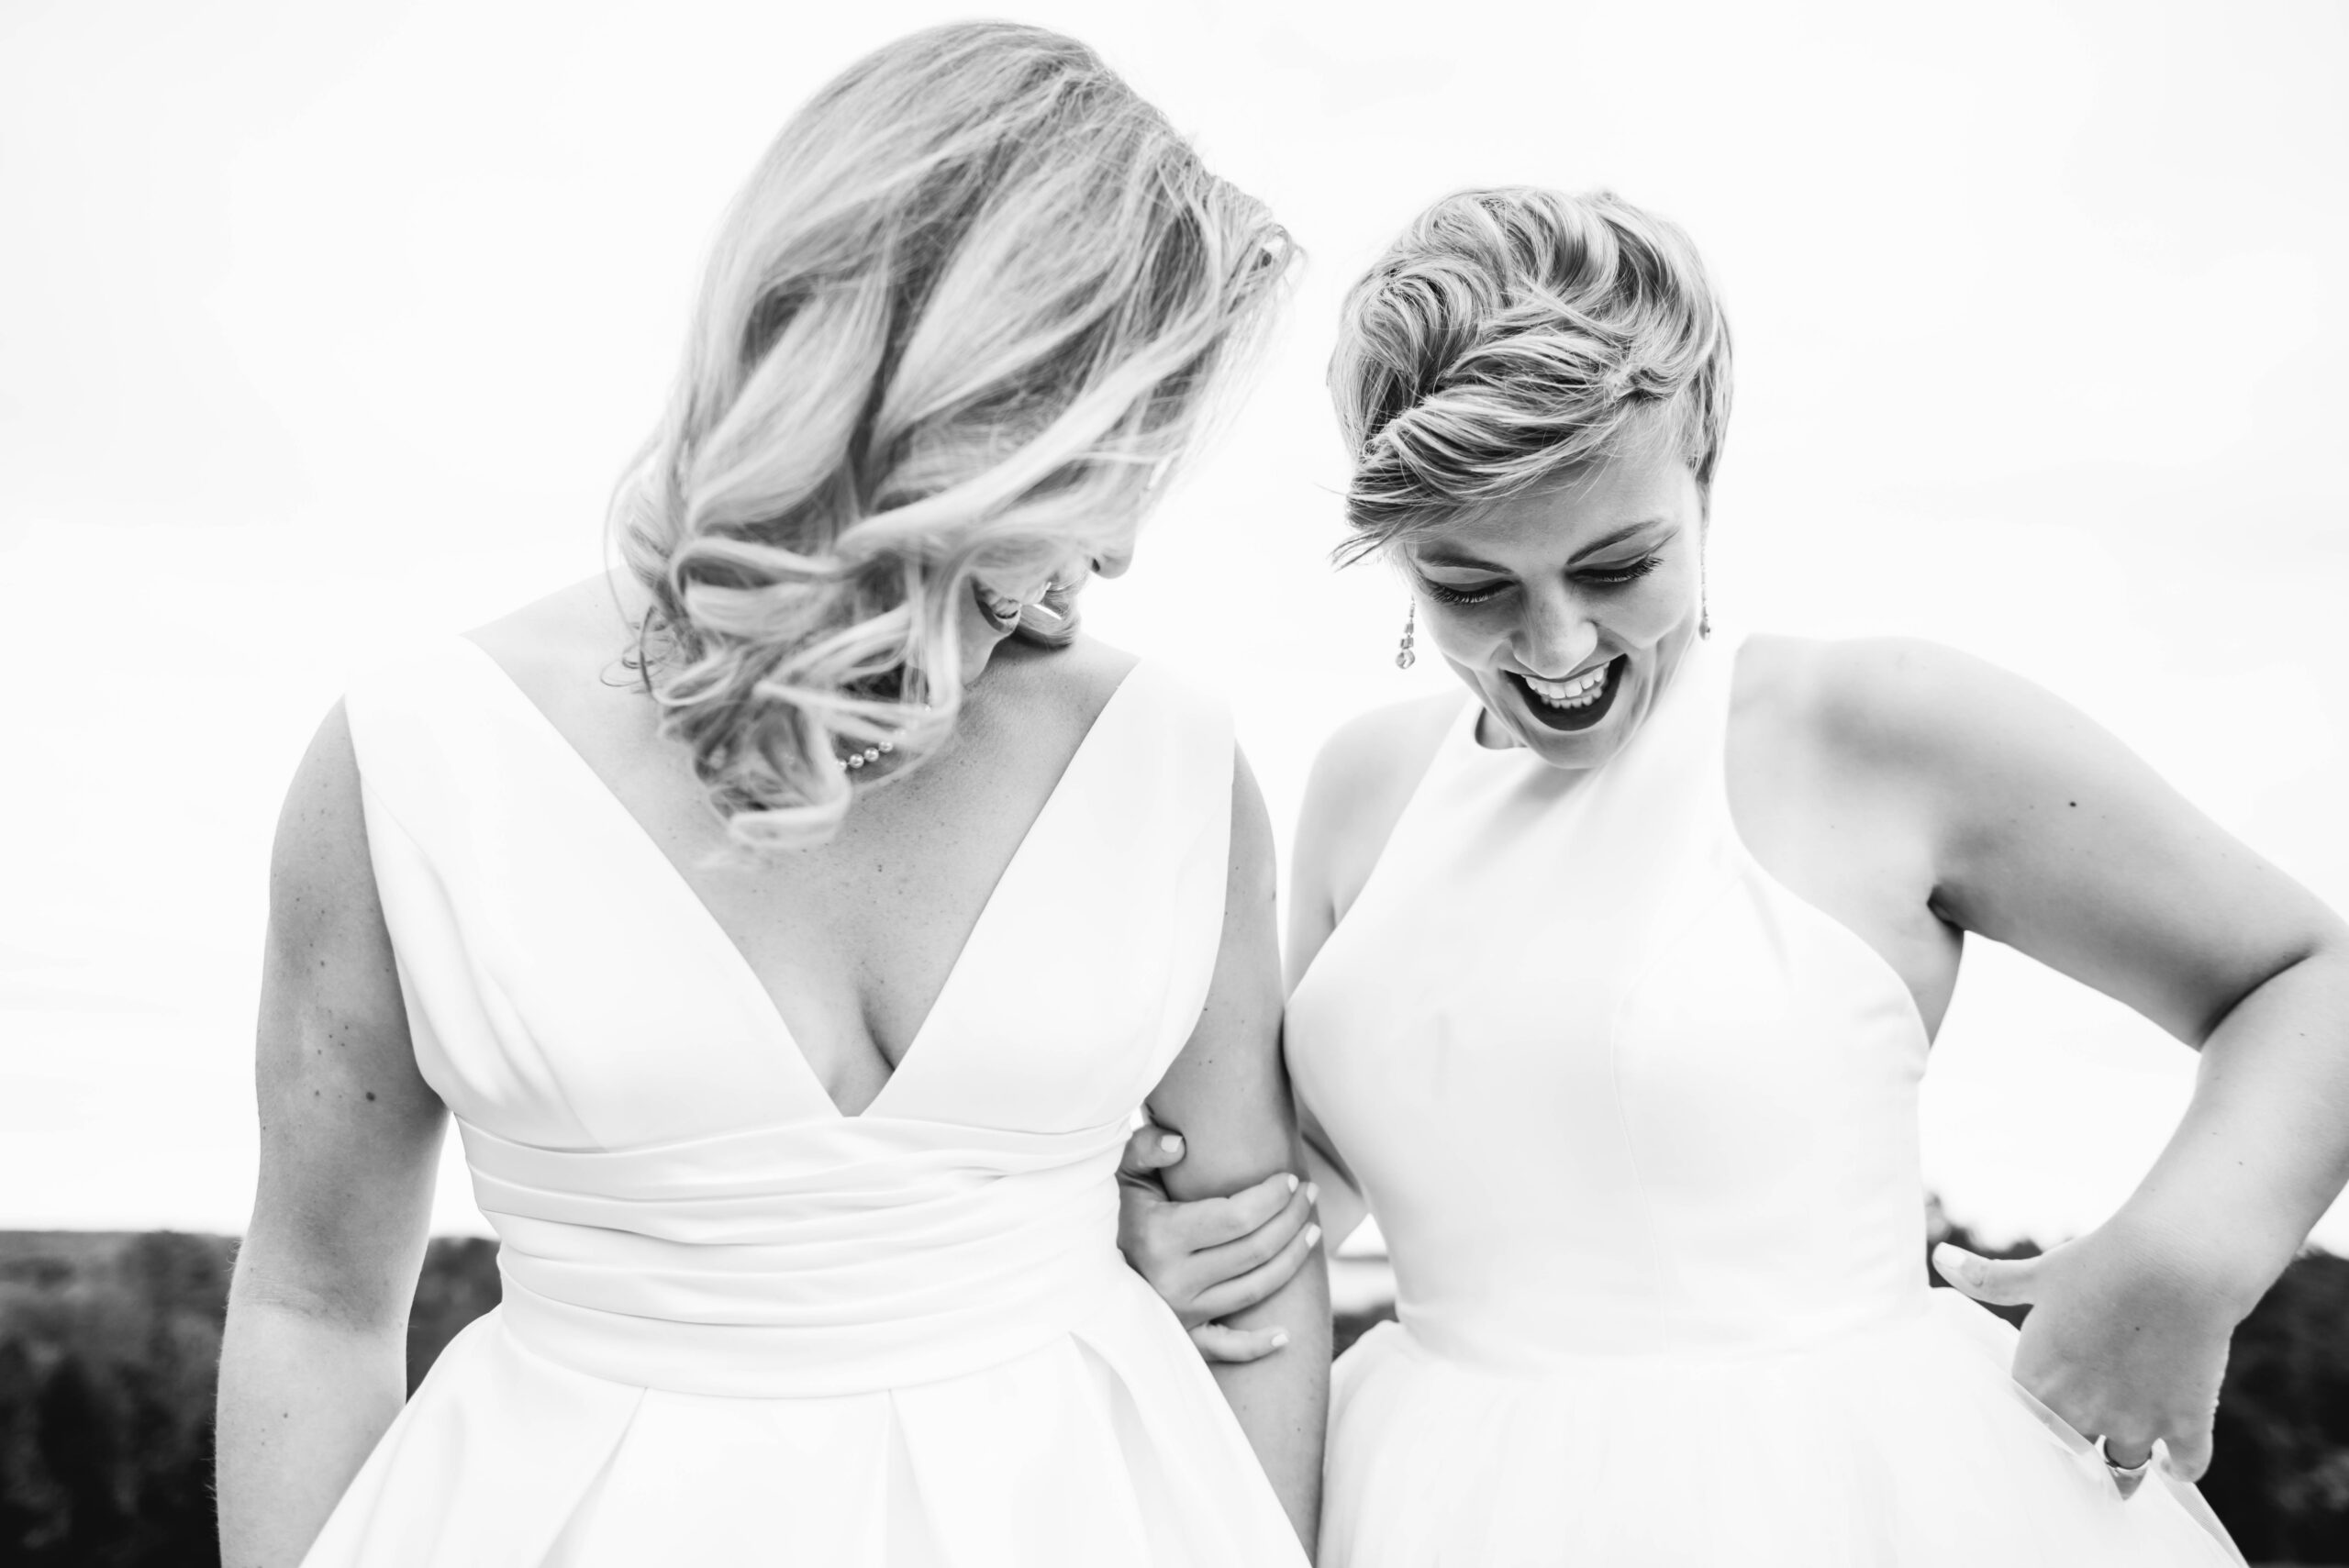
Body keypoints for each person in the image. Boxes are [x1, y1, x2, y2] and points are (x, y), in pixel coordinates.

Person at [215, 25, 1327, 1566]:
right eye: (1107, 452)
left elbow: (1256, 1269)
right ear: (959, 400)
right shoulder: (412, 761)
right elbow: (316, 1301)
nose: (1126, 544)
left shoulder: (1170, 759)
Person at [1124, 186, 2349, 1564]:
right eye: (1470, 588)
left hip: (1844, 1495)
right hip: (1428, 1499)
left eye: (1616, 563)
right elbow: (1345, 1166)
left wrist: (2183, 1261)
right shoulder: (1364, 783)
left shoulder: (1875, 727)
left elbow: (2313, 978)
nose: (1554, 645)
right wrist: (1170, 1254)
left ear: (1702, 463)